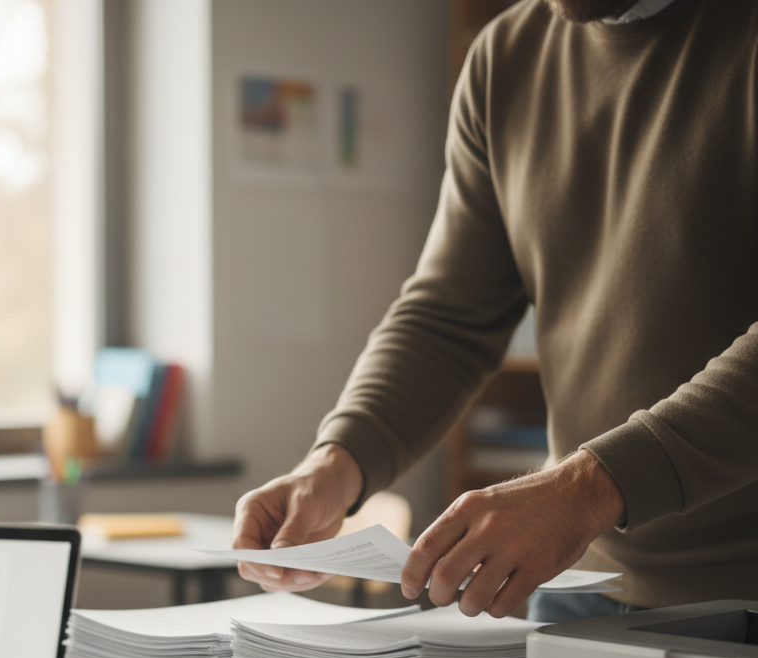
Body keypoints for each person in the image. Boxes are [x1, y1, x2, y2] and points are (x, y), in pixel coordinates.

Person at [232, 0, 758, 622]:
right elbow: (448, 315)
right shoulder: (503, 57)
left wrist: (590, 486)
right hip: (579, 581)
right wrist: (338, 463)